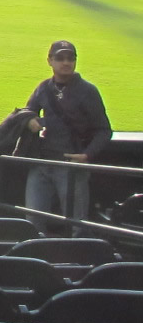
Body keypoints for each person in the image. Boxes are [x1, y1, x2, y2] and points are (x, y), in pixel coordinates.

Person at [22, 40, 111, 232]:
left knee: (77, 224)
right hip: (42, 163)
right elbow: (28, 111)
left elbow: (104, 130)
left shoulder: (88, 91)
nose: (66, 62)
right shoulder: (44, 88)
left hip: (71, 166)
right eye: (60, 58)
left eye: (70, 58)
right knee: (32, 222)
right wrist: (30, 120)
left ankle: (77, 260)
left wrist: (87, 155)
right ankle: (35, 259)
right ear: (50, 61)